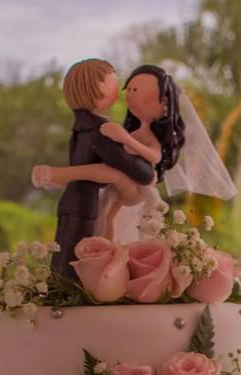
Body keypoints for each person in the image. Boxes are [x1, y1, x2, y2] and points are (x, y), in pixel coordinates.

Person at [34, 64, 237, 246]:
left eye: (136, 90)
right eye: (128, 89)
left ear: (163, 104)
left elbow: (155, 157)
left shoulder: (144, 136)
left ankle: (63, 175)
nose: (129, 93)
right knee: (106, 219)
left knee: (114, 172)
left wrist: (126, 139)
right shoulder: (117, 129)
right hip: (121, 189)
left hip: (137, 188)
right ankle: (105, 247)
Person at [42, 58, 155, 279]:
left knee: (62, 258)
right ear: (100, 86)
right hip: (85, 203)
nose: (121, 88)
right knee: (75, 265)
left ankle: (58, 295)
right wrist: (147, 169)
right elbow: (135, 169)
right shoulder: (100, 131)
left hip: (70, 199)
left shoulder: (78, 130)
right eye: (115, 82)